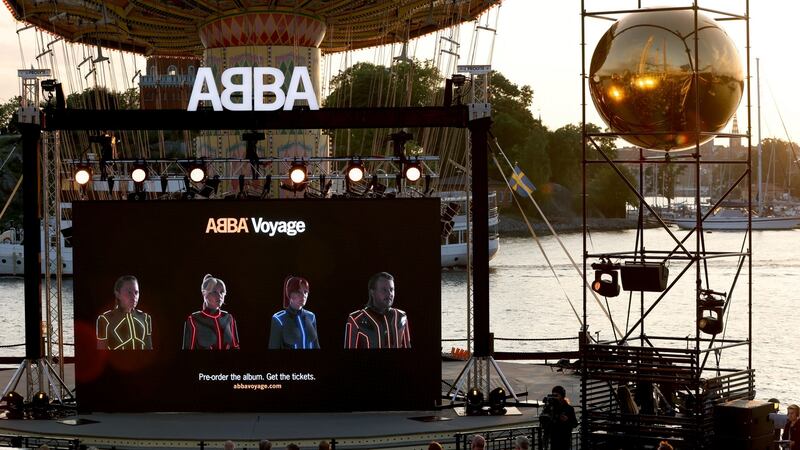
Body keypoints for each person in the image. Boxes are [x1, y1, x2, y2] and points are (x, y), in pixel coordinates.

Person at [344, 272, 410, 349]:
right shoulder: (356, 319)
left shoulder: (402, 316)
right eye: (384, 290)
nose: (389, 294)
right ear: (372, 292)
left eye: (391, 289)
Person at [182, 274, 240, 350]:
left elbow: (236, 346)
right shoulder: (193, 319)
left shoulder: (229, 318)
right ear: (204, 293)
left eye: (222, 292)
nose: (220, 296)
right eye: (215, 292)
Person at [96, 275, 153, 350]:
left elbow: (149, 348)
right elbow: (101, 352)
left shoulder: (145, 318)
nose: (134, 297)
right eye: (129, 292)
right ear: (117, 294)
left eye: (136, 292)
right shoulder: (105, 319)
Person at [269, 276, 319, 349]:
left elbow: (316, 345)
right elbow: (273, 346)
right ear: (289, 294)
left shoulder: (311, 316)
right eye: (298, 292)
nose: (303, 296)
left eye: (305, 292)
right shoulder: (279, 319)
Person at [540, 385, 578, 450]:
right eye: (553, 395)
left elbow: (575, 424)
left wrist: (567, 420)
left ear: (562, 396)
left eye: (556, 395)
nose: (554, 398)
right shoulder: (550, 407)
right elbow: (543, 420)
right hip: (554, 439)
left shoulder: (569, 409)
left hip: (564, 440)